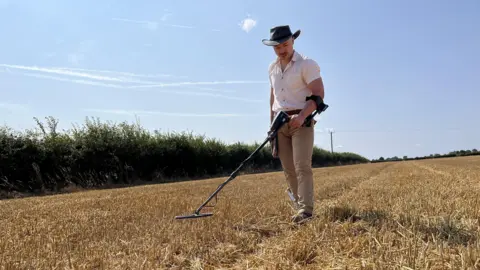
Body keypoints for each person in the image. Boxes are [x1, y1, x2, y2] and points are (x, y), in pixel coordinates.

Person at [262, 25, 325, 224]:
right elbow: (273, 100)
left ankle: (306, 211)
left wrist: (302, 116)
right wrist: (271, 126)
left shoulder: (306, 64)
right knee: (288, 169)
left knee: (302, 166)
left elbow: (318, 95)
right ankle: (299, 207)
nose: (282, 50)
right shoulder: (272, 69)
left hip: (302, 121)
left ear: (293, 42)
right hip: (280, 123)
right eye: (277, 47)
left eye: (285, 45)